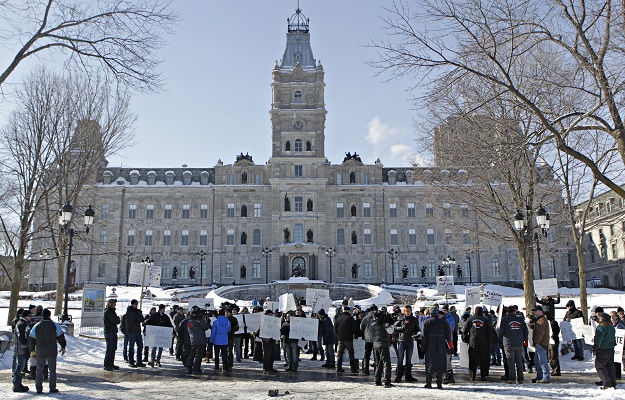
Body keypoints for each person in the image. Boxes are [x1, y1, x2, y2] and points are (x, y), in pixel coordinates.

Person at [28, 308, 66, 394]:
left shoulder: (36, 326)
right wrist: (63, 346)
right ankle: (52, 388)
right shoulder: (55, 325)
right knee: (52, 370)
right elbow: (61, 337)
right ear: (49, 315)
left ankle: (39, 388)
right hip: (52, 350)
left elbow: (31, 339)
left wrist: (32, 350)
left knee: (39, 370)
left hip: (40, 350)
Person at [422, 306, 451, 389]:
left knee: (429, 363)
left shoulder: (427, 322)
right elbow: (448, 335)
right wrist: (448, 346)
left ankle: (429, 383)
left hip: (430, 344)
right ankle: (439, 383)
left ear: (430, 314)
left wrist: (423, 348)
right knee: (440, 363)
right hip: (441, 344)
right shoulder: (444, 323)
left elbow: (424, 336)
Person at [499, 305, 528, 384]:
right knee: (519, 361)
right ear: (515, 311)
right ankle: (520, 378)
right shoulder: (520, 319)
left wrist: (501, 339)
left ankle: (512, 378)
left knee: (510, 361)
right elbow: (526, 331)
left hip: (508, 343)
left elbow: (501, 331)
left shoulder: (504, 320)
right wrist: (522, 339)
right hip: (518, 343)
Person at [463, 306, 492, 381]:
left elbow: (465, 330)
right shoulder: (485, 320)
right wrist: (489, 341)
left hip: (473, 341)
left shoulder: (470, 319)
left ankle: (472, 375)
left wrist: (465, 339)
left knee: (473, 359)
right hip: (484, 342)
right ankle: (483, 375)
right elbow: (489, 332)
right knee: (483, 359)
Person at [394, 305, 419, 382]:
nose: (407, 312)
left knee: (409, 360)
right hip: (401, 340)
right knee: (400, 359)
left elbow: (417, 329)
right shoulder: (401, 319)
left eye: (408, 311)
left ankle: (408, 376)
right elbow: (394, 327)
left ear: (411, 311)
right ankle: (399, 375)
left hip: (410, 340)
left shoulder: (414, 320)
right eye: (406, 311)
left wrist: (417, 334)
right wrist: (402, 328)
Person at [594, 312, 617, 389]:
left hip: (602, 349)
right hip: (610, 349)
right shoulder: (611, 327)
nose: (598, 319)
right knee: (610, 366)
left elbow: (598, 339)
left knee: (600, 366)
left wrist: (595, 346)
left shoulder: (600, 327)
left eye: (600, 317)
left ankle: (607, 383)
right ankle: (612, 382)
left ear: (603, 319)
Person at [371, 308, 393, 388]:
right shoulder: (384, 323)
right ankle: (386, 381)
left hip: (375, 344)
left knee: (378, 363)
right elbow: (391, 331)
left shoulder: (373, 323)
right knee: (386, 363)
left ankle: (377, 380)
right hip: (383, 344)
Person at [12, 309, 32, 392]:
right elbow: (22, 337)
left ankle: (17, 383)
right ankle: (17, 384)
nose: (31, 317)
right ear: (26, 316)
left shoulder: (21, 323)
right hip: (21, 349)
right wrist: (26, 348)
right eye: (30, 316)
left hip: (19, 348)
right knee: (20, 366)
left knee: (20, 366)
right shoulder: (22, 324)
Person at [530, 305, 551, 383]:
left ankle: (546, 377)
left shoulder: (541, 320)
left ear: (540, 311)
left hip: (541, 343)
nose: (535, 313)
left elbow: (540, 333)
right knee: (537, 361)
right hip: (540, 343)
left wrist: (536, 342)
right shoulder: (539, 320)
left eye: (536, 311)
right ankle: (540, 376)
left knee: (542, 361)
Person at [185, 308, 210, 374]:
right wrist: (207, 322)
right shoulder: (199, 321)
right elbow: (205, 327)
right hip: (201, 340)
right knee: (198, 355)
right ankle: (196, 369)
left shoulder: (190, 321)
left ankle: (188, 367)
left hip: (193, 340)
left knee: (192, 354)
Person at [335, 306, 358, 373]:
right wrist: (355, 334)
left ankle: (338, 367)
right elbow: (354, 328)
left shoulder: (339, 318)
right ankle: (353, 369)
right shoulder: (350, 318)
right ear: (348, 311)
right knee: (351, 353)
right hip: (348, 339)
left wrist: (338, 335)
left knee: (340, 354)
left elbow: (335, 328)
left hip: (341, 339)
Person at [124, 299, 146, 368]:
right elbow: (134, 318)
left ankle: (139, 361)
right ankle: (131, 361)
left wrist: (139, 315)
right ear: (132, 304)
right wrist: (138, 315)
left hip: (137, 330)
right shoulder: (129, 311)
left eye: (137, 304)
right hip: (131, 331)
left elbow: (142, 319)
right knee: (131, 347)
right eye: (135, 304)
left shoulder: (138, 311)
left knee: (140, 346)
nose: (136, 306)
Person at [103, 298, 121, 371]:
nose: (114, 305)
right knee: (109, 348)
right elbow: (115, 320)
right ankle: (107, 364)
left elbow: (117, 320)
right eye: (113, 304)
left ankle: (111, 363)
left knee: (113, 348)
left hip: (113, 331)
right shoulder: (107, 312)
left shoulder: (113, 311)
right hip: (109, 331)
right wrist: (117, 319)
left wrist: (117, 319)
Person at [441, 304, 456, 384]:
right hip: (442, 341)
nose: (443, 312)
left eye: (445, 310)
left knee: (447, 359)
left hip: (448, 341)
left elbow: (451, 328)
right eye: (442, 310)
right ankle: (446, 375)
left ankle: (449, 376)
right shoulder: (440, 318)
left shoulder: (450, 318)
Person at [360, 305, 377, 375]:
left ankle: (366, 368)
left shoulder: (365, 318)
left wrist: (365, 333)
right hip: (376, 338)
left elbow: (361, 327)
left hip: (367, 338)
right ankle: (377, 369)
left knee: (367, 353)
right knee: (376, 354)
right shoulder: (377, 317)